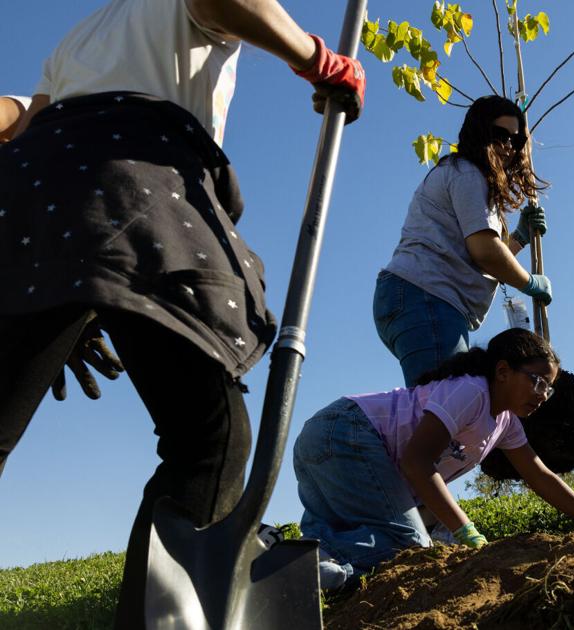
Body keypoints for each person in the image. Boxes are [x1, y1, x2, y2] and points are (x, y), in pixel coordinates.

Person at [0, 0, 365, 625]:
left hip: (27, 200)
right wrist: (318, 59)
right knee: (210, 436)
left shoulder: (83, 36)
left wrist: (61, 282)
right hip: (133, 181)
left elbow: (23, 121)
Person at [293, 328, 574, 589]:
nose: (542, 395)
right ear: (502, 371)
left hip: (327, 439)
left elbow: (540, 476)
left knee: (361, 539)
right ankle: (311, 566)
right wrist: (465, 530)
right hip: (346, 433)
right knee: (412, 549)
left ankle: (294, 559)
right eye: (538, 381)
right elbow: (416, 463)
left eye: (548, 389)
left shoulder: (505, 423)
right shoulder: (472, 392)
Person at [374, 95, 551, 386]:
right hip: (427, 297)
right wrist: (530, 283)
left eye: (516, 141)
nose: (508, 145)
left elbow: (480, 254)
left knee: (451, 409)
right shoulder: (468, 173)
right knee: (449, 409)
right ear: (480, 131)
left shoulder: (470, 176)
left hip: (422, 298)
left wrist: (518, 238)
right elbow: (485, 252)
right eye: (500, 135)